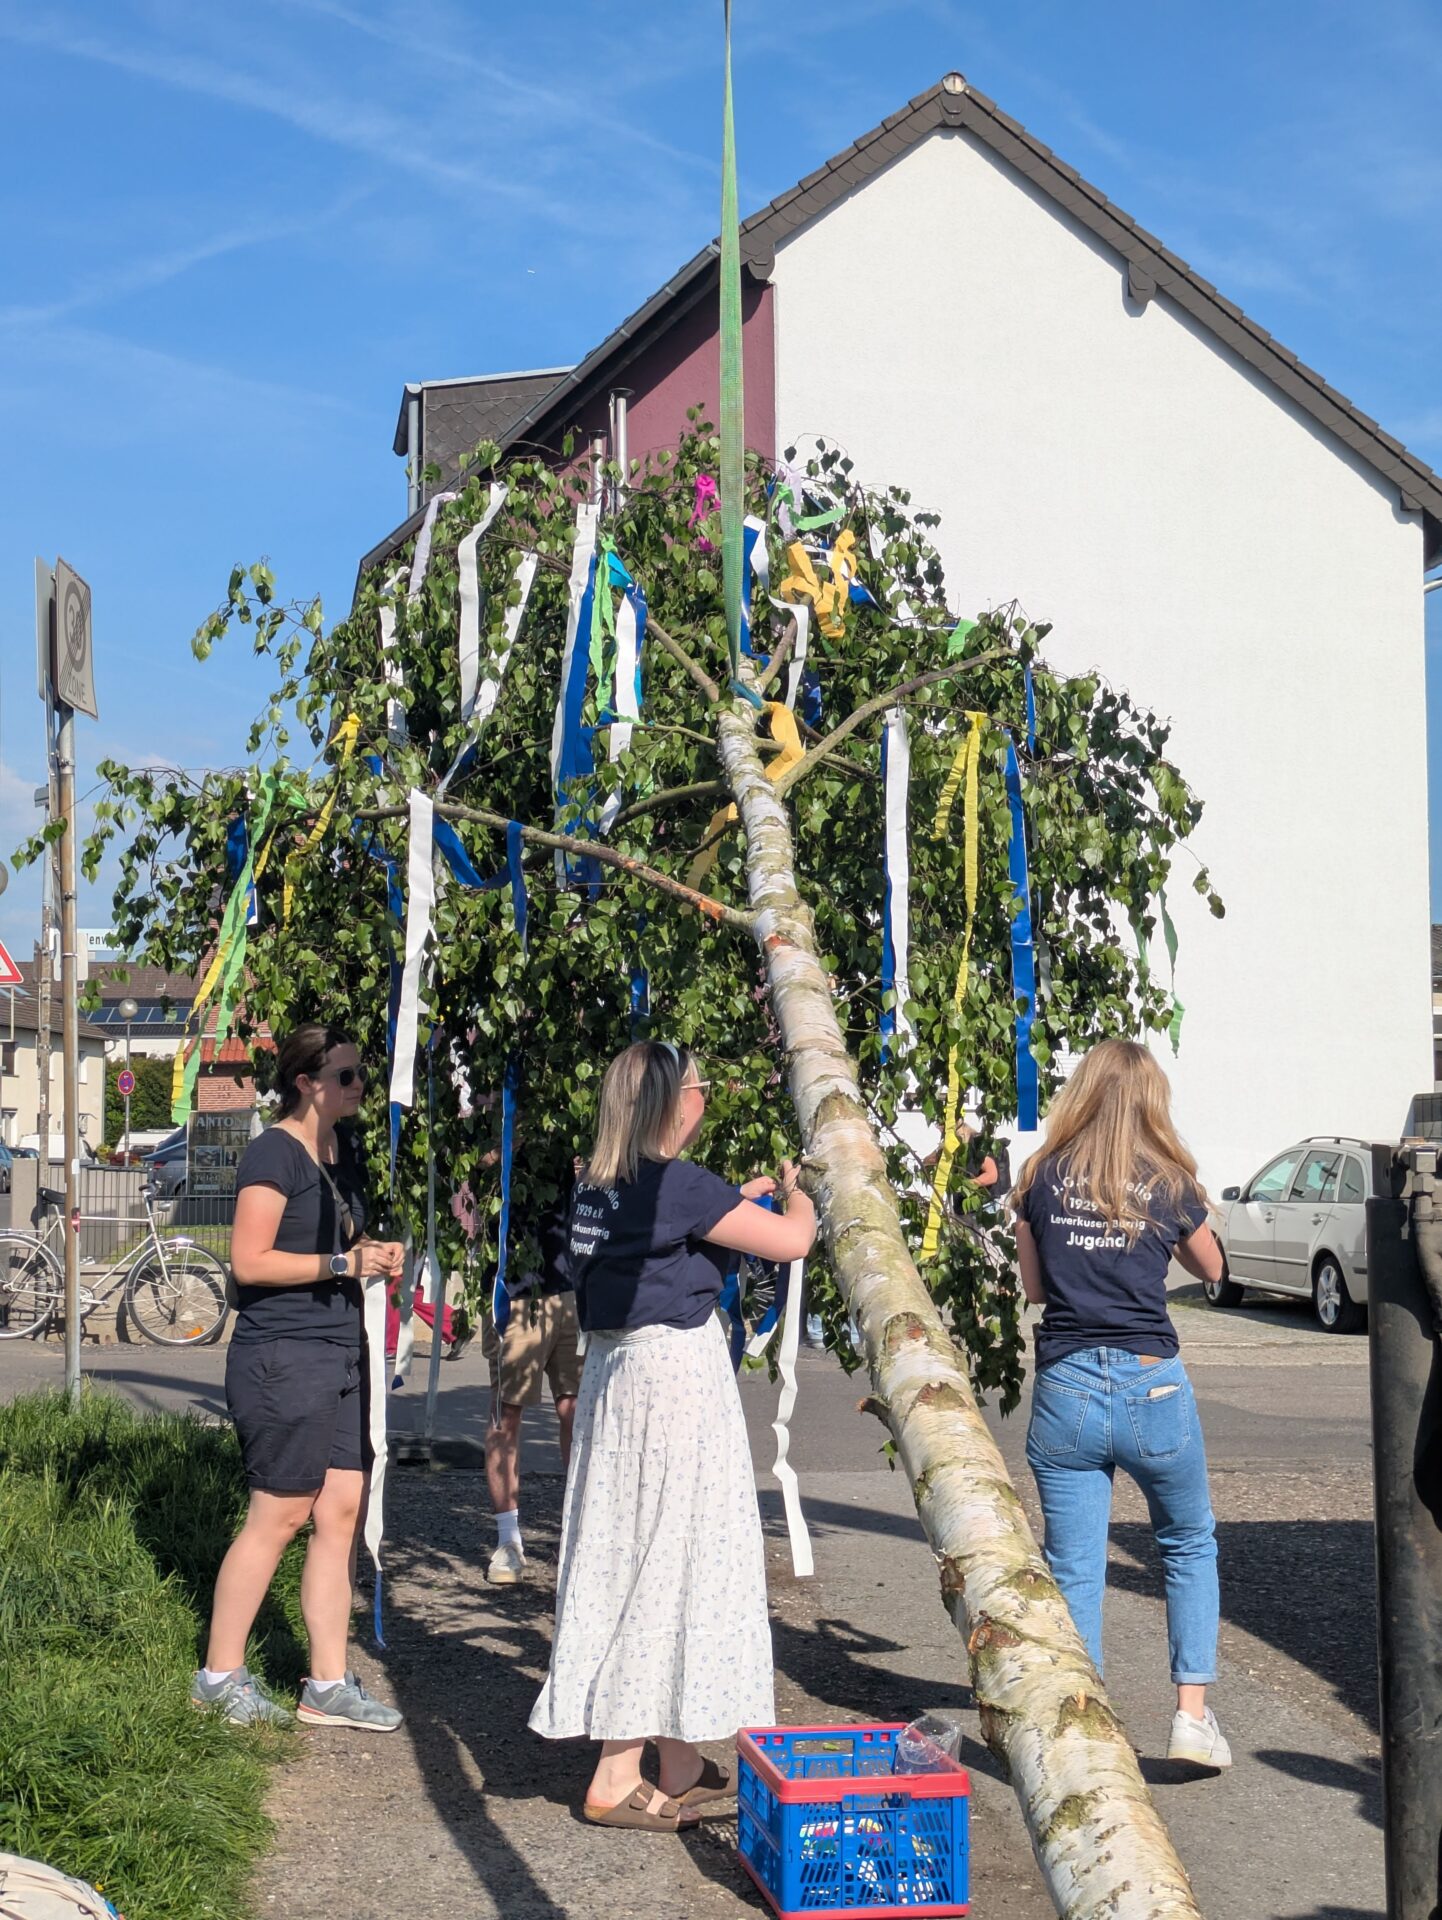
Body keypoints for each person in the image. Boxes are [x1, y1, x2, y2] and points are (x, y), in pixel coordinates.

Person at [529, 1039, 816, 1832]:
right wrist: (800, 1197)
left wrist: (733, 1201)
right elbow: (792, 1244)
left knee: (643, 1550)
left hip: (618, 1381)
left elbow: (659, 1242)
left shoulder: (599, 1185)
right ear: (673, 1101)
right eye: (701, 1085)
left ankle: (681, 1758)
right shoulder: (681, 1186)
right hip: (675, 1386)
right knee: (662, 1560)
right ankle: (617, 1773)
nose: (705, 1097)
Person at [1010, 1038, 1231, 1768]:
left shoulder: (1039, 1177)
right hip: (1151, 1382)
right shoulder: (1168, 1182)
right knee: (1187, 1542)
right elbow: (1212, 1267)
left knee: (1073, 1565)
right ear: (1151, 1104)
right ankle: (1191, 1720)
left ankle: (1083, 1730)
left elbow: (1035, 1290)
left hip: (1067, 1383)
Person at [191, 1023, 406, 1731]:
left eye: (362, 1076)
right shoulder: (272, 1153)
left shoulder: (341, 1151)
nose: (359, 1089)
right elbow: (249, 1262)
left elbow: (337, 1243)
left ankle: (327, 1684)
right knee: (279, 1514)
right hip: (283, 1354)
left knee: (339, 1510)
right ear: (307, 1083)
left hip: (340, 1350)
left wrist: (370, 1253)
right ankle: (218, 1677)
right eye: (346, 1077)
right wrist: (344, 1266)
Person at [484, 1190, 581, 1585]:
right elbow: (479, 1179)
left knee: (578, 1411)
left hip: (572, 1287)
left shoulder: (571, 1128)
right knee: (506, 1414)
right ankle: (508, 1540)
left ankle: (580, 1533)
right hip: (515, 1290)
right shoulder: (493, 1126)